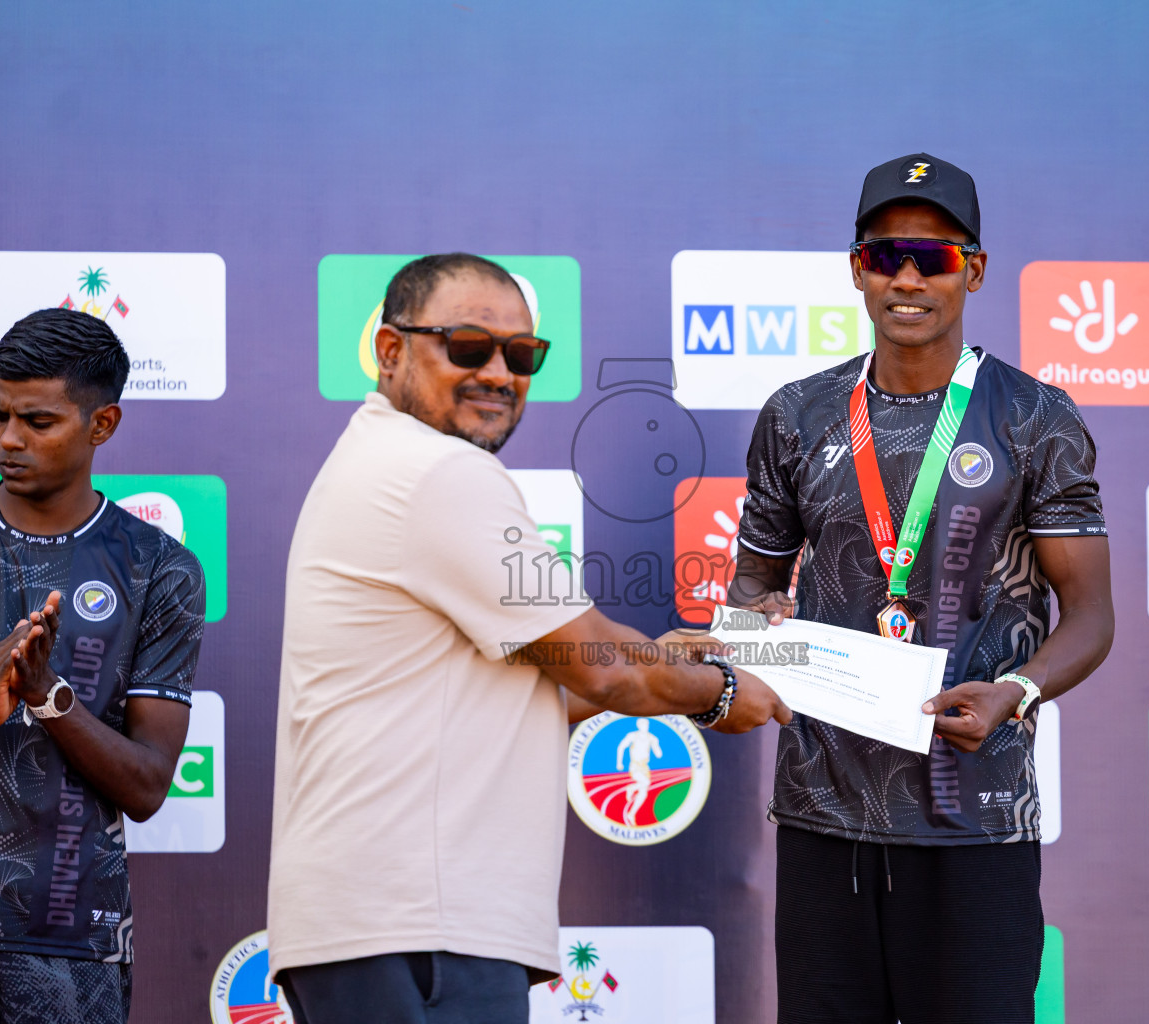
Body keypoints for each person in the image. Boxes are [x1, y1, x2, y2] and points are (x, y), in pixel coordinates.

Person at [267, 253, 790, 1024]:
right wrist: (719, 696)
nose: (499, 373)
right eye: (469, 347)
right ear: (389, 351)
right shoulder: (436, 472)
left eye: (521, 355)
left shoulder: (384, 460)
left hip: (389, 926)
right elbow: (603, 668)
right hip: (418, 926)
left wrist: (667, 662)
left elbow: (535, 685)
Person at [731, 153, 1114, 1023]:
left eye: (934, 257)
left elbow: (1091, 616)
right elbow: (754, 581)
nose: (908, 277)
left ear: (973, 270)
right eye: (886, 254)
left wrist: (1016, 691)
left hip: (974, 810)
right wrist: (762, 626)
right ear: (857, 268)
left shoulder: (1034, 416)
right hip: (824, 814)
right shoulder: (797, 414)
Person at [0, 308, 205, 1023]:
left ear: (102, 425)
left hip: (69, 941)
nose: (8, 438)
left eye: (37, 421)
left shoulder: (157, 569)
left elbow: (149, 786)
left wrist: (47, 696)